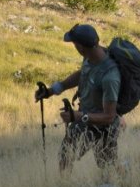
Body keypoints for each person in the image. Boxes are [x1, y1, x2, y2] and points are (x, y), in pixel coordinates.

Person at [35, 24, 121, 170]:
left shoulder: (110, 77)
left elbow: (109, 117)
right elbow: (82, 74)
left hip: (104, 128)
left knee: (108, 167)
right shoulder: (89, 57)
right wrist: (53, 90)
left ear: (81, 47)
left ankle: (125, 185)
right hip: (83, 120)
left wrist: (79, 116)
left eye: (75, 44)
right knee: (65, 156)